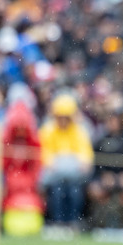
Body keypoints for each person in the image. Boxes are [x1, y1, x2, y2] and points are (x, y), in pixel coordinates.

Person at [39, 93, 94, 232]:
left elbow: (85, 151)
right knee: (57, 191)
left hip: (73, 174)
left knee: (74, 191)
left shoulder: (78, 130)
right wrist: (50, 163)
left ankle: (73, 222)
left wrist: (84, 163)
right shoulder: (48, 129)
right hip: (55, 173)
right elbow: (44, 149)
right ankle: (58, 222)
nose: (63, 120)